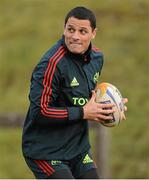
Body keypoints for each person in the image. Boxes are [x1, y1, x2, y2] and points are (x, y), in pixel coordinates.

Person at [22, 6, 128, 179]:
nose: (75, 36)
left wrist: (111, 106)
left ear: (93, 33)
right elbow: (40, 112)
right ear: (64, 29)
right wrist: (83, 112)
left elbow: (87, 94)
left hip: (78, 149)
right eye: (70, 30)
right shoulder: (51, 64)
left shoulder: (97, 58)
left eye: (82, 31)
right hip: (45, 151)